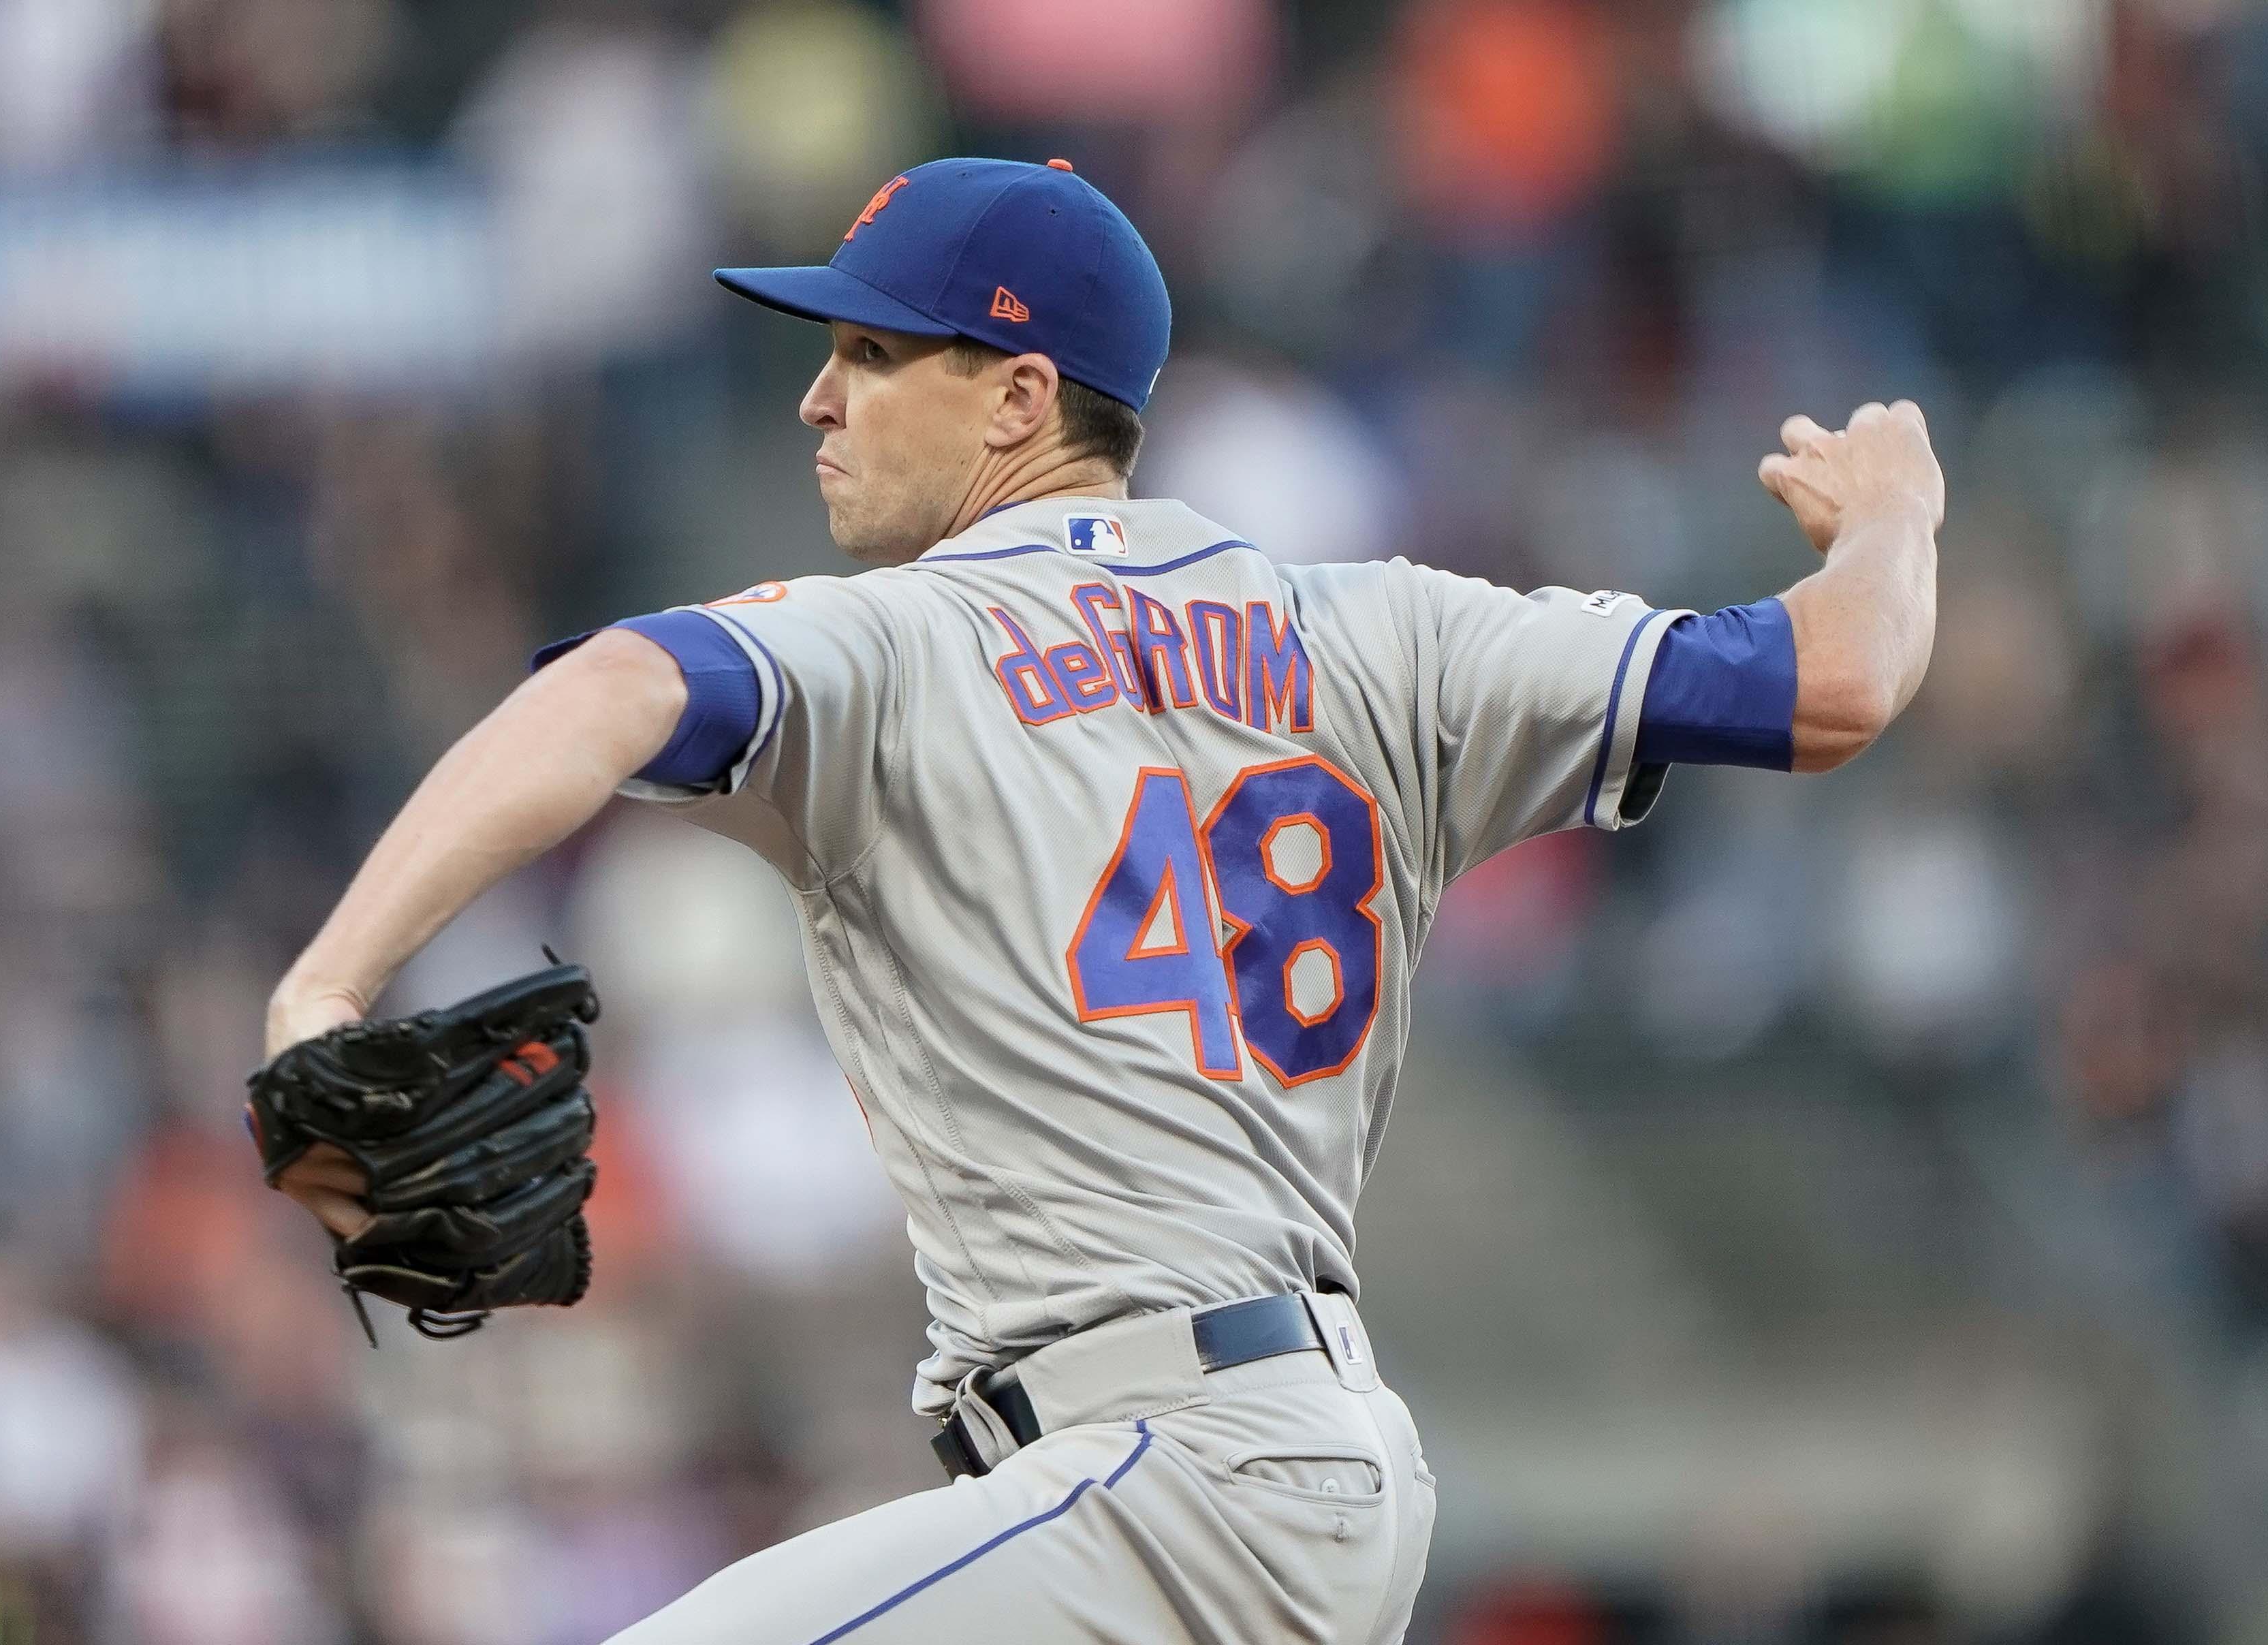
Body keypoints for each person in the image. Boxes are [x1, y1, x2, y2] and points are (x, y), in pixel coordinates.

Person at [262, 157, 1942, 1643]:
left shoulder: (899, 640)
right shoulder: (1391, 633)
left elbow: (616, 687)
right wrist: (1894, 515)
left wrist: (325, 988)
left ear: (1017, 400)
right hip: (1268, 1470)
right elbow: (1840, 675)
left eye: (868, 352)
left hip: (1171, 1483)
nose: (815, 402)